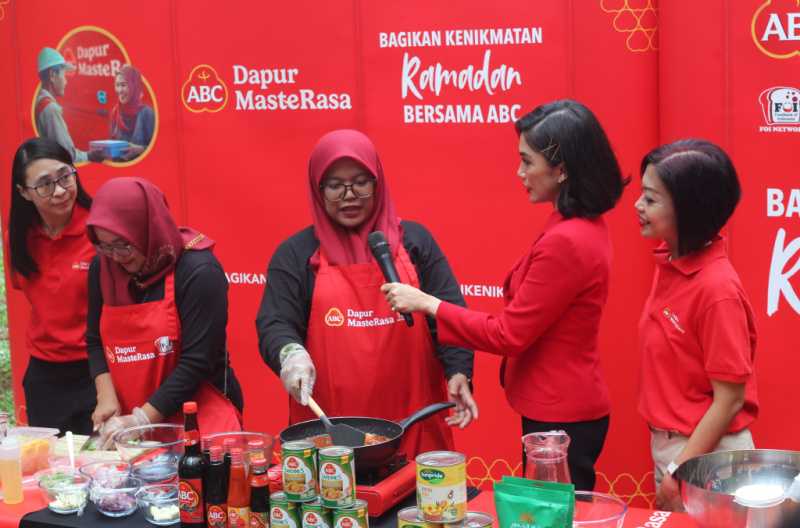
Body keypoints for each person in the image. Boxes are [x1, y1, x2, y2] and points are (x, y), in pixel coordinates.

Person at [381, 99, 626, 491]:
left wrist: (428, 303)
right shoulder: (576, 224)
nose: (520, 173)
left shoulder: (569, 239)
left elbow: (508, 334)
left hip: (560, 415)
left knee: (554, 518)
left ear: (561, 170)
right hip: (558, 407)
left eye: (528, 162)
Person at [256, 129, 478, 457]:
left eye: (361, 181)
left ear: (378, 182)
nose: (349, 195)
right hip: (328, 436)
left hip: (413, 427)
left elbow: (448, 312)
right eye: (334, 185)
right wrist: (290, 354)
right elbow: (275, 323)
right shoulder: (295, 254)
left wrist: (459, 371)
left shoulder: (415, 242)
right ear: (318, 190)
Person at [634, 139, 757, 511]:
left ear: (688, 211)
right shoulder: (671, 262)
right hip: (678, 448)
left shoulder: (717, 289)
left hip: (707, 459)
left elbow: (730, 399)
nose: (638, 206)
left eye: (651, 200)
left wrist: (680, 469)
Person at [85, 177, 243, 446]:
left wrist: (142, 420)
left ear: (146, 229)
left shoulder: (198, 271)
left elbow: (197, 362)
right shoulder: (103, 269)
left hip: (199, 421)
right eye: (105, 245)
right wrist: (106, 395)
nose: (116, 256)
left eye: (123, 244)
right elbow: (94, 340)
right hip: (132, 429)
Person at [5, 137, 96, 434]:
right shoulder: (19, 237)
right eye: (44, 184)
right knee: (50, 471)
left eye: (64, 176)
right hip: (45, 374)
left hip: (97, 371)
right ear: (24, 193)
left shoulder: (99, 228)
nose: (59, 190)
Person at [34, 48, 91, 164]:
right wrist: (91, 156)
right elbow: (68, 156)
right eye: (64, 75)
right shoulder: (51, 109)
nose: (66, 81)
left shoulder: (39, 101)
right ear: (52, 75)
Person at [108, 65, 155, 161]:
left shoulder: (146, 113)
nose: (119, 90)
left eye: (123, 85)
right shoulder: (115, 112)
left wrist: (140, 150)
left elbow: (160, 150)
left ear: (134, 86)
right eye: (117, 85)